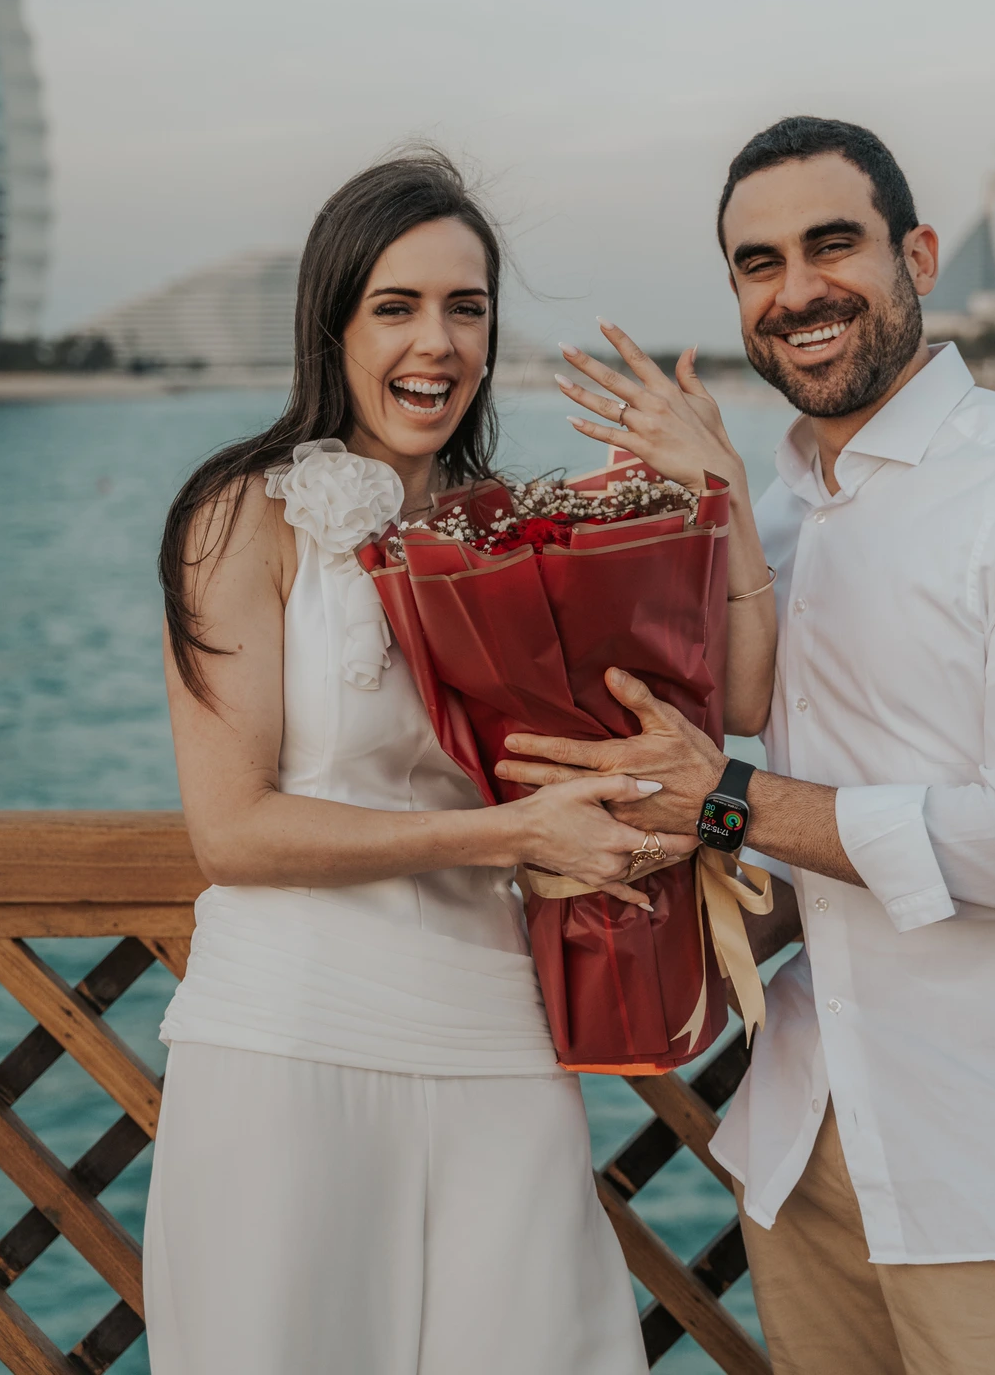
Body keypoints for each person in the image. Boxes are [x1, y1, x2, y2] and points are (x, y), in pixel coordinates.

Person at [498, 116, 995, 1375]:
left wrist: (726, 805)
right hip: (808, 1148)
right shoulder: (774, 514)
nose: (797, 289)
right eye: (759, 263)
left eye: (832, 246)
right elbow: (678, 708)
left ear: (917, 254)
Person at [144, 149, 677, 1375]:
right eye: (395, 306)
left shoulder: (512, 534)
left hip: (500, 1035)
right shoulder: (241, 513)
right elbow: (231, 831)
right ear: (332, 324)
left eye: (465, 307)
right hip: (289, 1045)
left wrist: (710, 504)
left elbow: (658, 727)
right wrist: (511, 839)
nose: (433, 343)